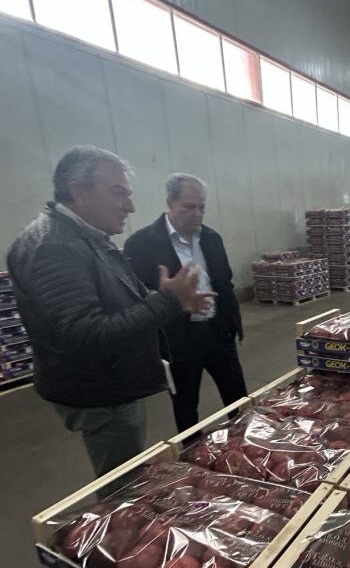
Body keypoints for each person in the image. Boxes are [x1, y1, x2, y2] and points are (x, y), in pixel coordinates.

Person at [6, 145, 212, 477]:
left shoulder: (85, 237)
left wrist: (170, 298)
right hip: (101, 391)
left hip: (112, 380)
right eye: (118, 192)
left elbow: (111, 297)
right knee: (123, 483)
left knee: (129, 469)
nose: (130, 206)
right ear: (78, 190)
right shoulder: (55, 247)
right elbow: (86, 334)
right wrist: (167, 300)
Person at [124, 174, 247, 434]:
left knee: (238, 397)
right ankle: (191, 451)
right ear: (170, 202)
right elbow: (137, 296)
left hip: (218, 332)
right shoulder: (141, 244)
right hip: (178, 340)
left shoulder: (211, 238)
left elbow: (225, 282)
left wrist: (232, 323)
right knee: (185, 404)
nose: (197, 214)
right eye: (189, 207)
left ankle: (246, 444)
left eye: (202, 207)